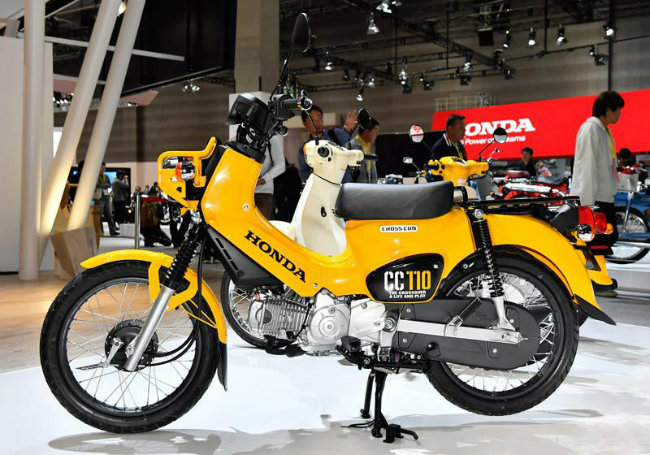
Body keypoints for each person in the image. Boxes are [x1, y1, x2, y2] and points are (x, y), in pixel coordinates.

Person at [571, 90, 625, 297]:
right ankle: (596, 281)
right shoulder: (591, 130)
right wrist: (587, 203)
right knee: (597, 241)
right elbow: (587, 168)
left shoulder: (602, 130)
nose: (619, 114)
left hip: (602, 196)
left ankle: (599, 278)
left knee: (604, 239)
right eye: (618, 110)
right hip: (593, 199)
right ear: (608, 110)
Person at [298, 105, 358, 182]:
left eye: (319, 117)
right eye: (312, 120)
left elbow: (351, 145)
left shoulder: (335, 134)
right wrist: (318, 178)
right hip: (321, 187)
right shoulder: (305, 147)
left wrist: (348, 130)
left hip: (343, 183)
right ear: (305, 123)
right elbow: (304, 172)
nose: (317, 122)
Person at [255, 138, 285, 219]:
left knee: (261, 223)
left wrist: (263, 180)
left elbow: (281, 165)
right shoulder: (238, 137)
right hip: (241, 192)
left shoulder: (271, 140)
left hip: (263, 192)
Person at [350, 117, 380, 183]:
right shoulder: (352, 147)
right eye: (375, 131)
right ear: (366, 131)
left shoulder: (368, 146)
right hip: (357, 188)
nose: (377, 134)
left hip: (367, 188)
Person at [93, 162, 118, 236]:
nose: (103, 169)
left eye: (104, 167)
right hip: (99, 197)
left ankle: (112, 231)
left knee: (109, 214)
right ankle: (100, 231)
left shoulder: (106, 176)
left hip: (106, 196)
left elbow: (109, 185)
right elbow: (96, 185)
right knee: (99, 215)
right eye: (102, 167)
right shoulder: (95, 176)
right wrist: (104, 185)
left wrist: (102, 185)